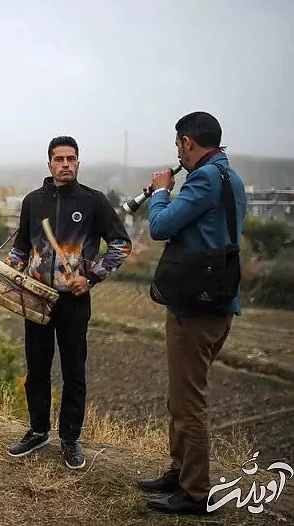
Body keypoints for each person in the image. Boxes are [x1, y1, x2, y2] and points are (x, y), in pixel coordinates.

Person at [139, 112, 247, 515]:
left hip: (196, 307)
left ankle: (196, 492)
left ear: (186, 142)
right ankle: (179, 470)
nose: (176, 153)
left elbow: (160, 226)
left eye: (177, 145)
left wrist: (163, 191)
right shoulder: (230, 178)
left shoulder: (203, 179)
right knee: (181, 396)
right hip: (218, 302)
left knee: (189, 402)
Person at [5, 136, 132, 469]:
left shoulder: (94, 202)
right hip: (36, 298)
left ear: (78, 163)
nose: (65, 164)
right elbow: (20, 246)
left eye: (71, 159)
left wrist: (91, 277)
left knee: (74, 372)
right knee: (37, 369)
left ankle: (70, 439)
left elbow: (121, 244)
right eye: (58, 159)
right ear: (49, 164)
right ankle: (37, 431)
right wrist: (12, 264)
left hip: (74, 302)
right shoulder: (33, 202)